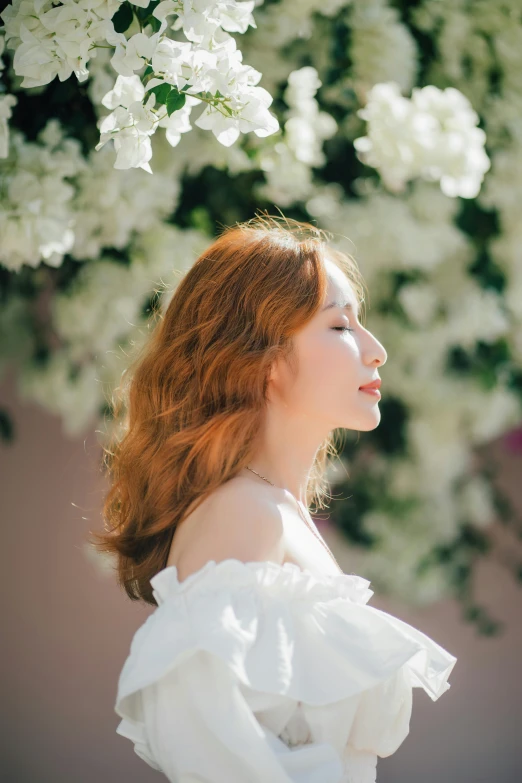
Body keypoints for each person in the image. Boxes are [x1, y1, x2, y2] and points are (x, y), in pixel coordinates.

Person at [90, 213, 457, 782]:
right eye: (340, 327)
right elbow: (211, 748)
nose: (376, 349)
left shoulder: (275, 513)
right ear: (261, 358)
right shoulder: (243, 514)